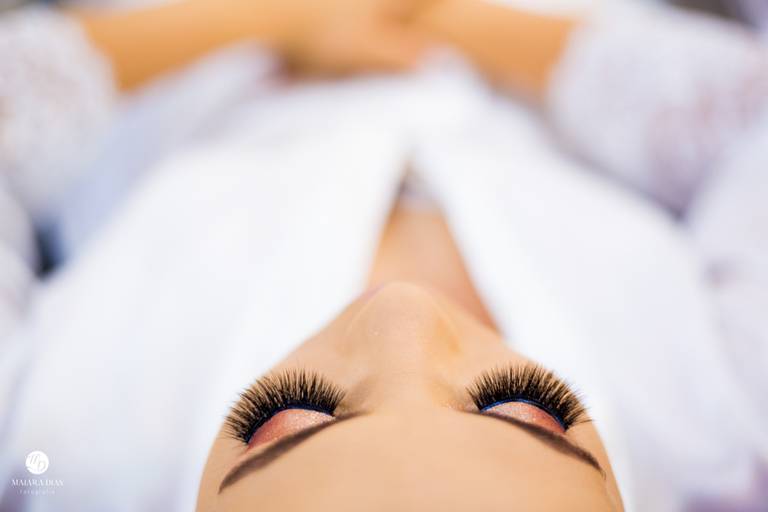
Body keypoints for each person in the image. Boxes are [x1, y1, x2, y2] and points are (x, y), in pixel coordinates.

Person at [1, 0, 767, 511]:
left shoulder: (52, 441)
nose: (404, 310)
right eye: (523, 408)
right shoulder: (720, 428)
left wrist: (278, 18)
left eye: (287, 419)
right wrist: (455, 19)